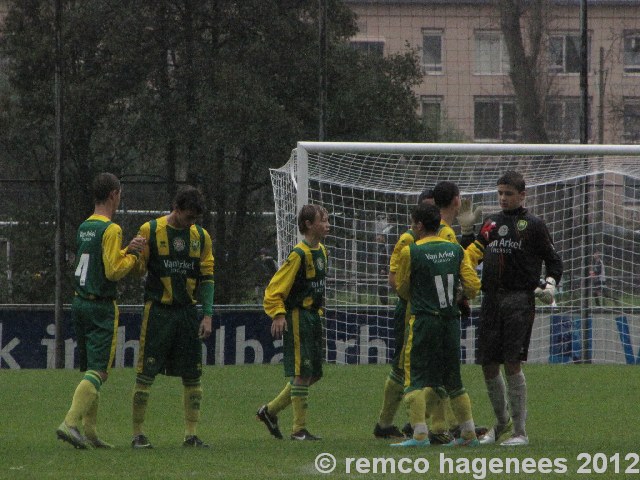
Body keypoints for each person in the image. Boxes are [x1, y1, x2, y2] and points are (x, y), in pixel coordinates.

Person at [57, 172, 145, 449]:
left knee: (90, 370)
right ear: (113, 195)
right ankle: (70, 423)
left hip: (79, 301)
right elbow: (113, 270)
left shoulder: (85, 226)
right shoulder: (112, 229)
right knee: (100, 371)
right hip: (100, 306)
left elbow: (99, 260)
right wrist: (133, 255)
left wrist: (124, 249)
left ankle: (90, 432)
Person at [474, 171, 563, 446]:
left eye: (508, 193)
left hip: (518, 300)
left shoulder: (533, 224)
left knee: (512, 362)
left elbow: (554, 260)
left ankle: (521, 432)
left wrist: (550, 284)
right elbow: (471, 254)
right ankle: (501, 423)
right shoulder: (490, 223)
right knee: (488, 365)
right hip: (489, 299)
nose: (503, 198)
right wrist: (466, 233)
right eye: (500, 193)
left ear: (522, 195)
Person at [390, 203, 481, 447]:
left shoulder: (412, 251)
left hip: (424, 321)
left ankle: (419, 435)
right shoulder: (455, 250)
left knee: (414, 379)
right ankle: (468, 434)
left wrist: (420, 295)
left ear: (419, 225)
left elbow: (402, 287)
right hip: (450, 322)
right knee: (453, 380)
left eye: (413, 223)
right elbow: (473, 286)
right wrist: (457, 295)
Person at [130, 186, 215, 449]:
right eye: (188, 217)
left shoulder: (201, 237)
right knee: (145, 375)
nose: (192, 223)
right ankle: (138, 435)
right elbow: (137, 270)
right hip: (158, 312)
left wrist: (208, 315)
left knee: (193, 375)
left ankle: (191, 435)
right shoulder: (150, 230)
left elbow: (207, 278)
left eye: (195, 219)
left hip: (188, 314)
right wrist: (131, 252)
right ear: (176, 209)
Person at [256, 204, 330, 441]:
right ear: (309, 224)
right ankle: (299, 430)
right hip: (298, 317)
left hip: (313, 317)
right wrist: (278, 314)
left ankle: (269, 411)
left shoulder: (323, 252)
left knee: (313, 374)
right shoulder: (298, 255)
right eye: (323, 220)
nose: (327, 224)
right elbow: (274, 289)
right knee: (301, 372)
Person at [372, 188, 434, 441]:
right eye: (429, 208)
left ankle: (420, 422)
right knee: (402, 366)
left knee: (430, 368)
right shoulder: (408, 240)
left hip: (429, 311)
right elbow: (394, 280)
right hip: (410, 311)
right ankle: (386, 423)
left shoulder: (439, 238)